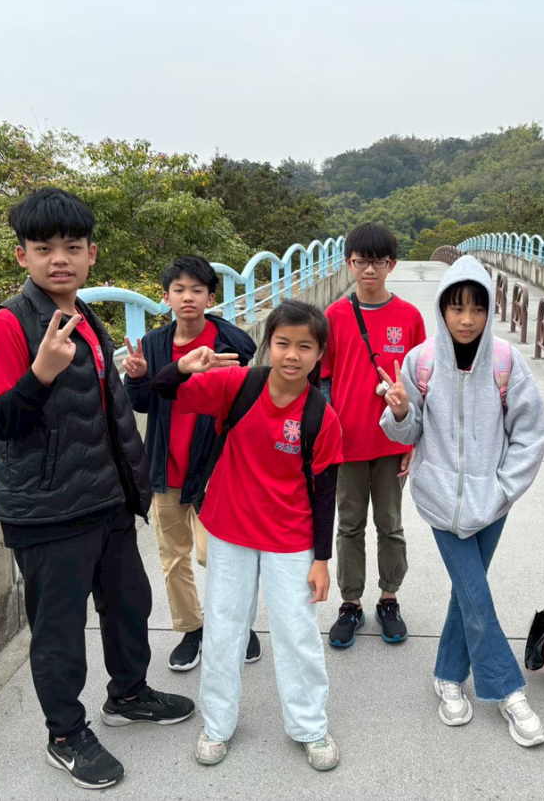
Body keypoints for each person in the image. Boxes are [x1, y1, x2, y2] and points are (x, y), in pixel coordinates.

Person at [0, 188, 192, 790]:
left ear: (91, 254)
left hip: (106, 499)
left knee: (129, 606)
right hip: (48, 512)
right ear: (22, 255)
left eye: (72, 247)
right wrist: (40, 374)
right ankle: (66, 735)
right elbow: (1, 423)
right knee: (60, 631)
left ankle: (129, 694)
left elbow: (105, 407)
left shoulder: (87, 317)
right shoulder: (6, 325)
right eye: (44, 248)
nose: (59, 259)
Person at [151, 299, 344, 770]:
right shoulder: (238, 385)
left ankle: (310, 726)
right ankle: (217, 724)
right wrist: (183, 366)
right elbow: (159, 390)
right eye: (282, 343)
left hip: (291, 539)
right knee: (224, 628)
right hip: (230, 530)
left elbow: (325, 494)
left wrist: (322, 560)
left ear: (320, 353)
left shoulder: (321, 416)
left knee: (297, 634)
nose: (292, 355)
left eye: (305, 346)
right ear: (267, 345)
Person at [379, 256, 544, 747]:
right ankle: (508, 690)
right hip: (439, 500)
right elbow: (408, 433)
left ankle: (448, 676)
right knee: (476, 595)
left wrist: (503, 488)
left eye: (477, 308)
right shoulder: (421, 361)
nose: (467, 318)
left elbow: (532, 431)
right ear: (442, 309)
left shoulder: (505, 362)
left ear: (489, 309)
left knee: (467, 593)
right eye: (457, 308)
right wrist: (400, 412)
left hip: (490, 503)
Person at [122, 255, 261, 672]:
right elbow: (141, 403)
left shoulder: (229, 343)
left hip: (214, 467)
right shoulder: (153, 343)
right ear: (165, 298)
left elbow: (240, 400)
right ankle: (192, 629)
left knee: (213, 555)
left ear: (210, 297)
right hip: (165, 466)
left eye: (197, 290)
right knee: (173, 557)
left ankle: (236, 621)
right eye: (178, 290)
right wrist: (137, 377)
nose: (188, 297)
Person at [320, 222, 426, 647]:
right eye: (361, 261)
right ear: (348, 263)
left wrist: (414, 440)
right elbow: (323, 382)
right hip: (347, 443)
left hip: (391, 442)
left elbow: (421, 386)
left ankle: (388, 598)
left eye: (378, 262)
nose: (369, 270)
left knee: (390, 524)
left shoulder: (410, 317)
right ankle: (350, 603)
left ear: (391, 265)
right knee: (348, 525)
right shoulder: (334, 316)